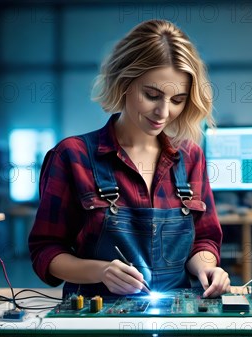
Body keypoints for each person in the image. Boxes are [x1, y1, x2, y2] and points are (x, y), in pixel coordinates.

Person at [28, 19, 230, 298]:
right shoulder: (72, 156)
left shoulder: (191, 157)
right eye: (152, 95)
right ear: (124, 82)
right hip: (94, 318)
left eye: (177, 99)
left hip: (176, 314)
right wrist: (100, 271)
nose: (163, 112)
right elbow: (46, 251)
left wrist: (207, 268)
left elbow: (205, 239)